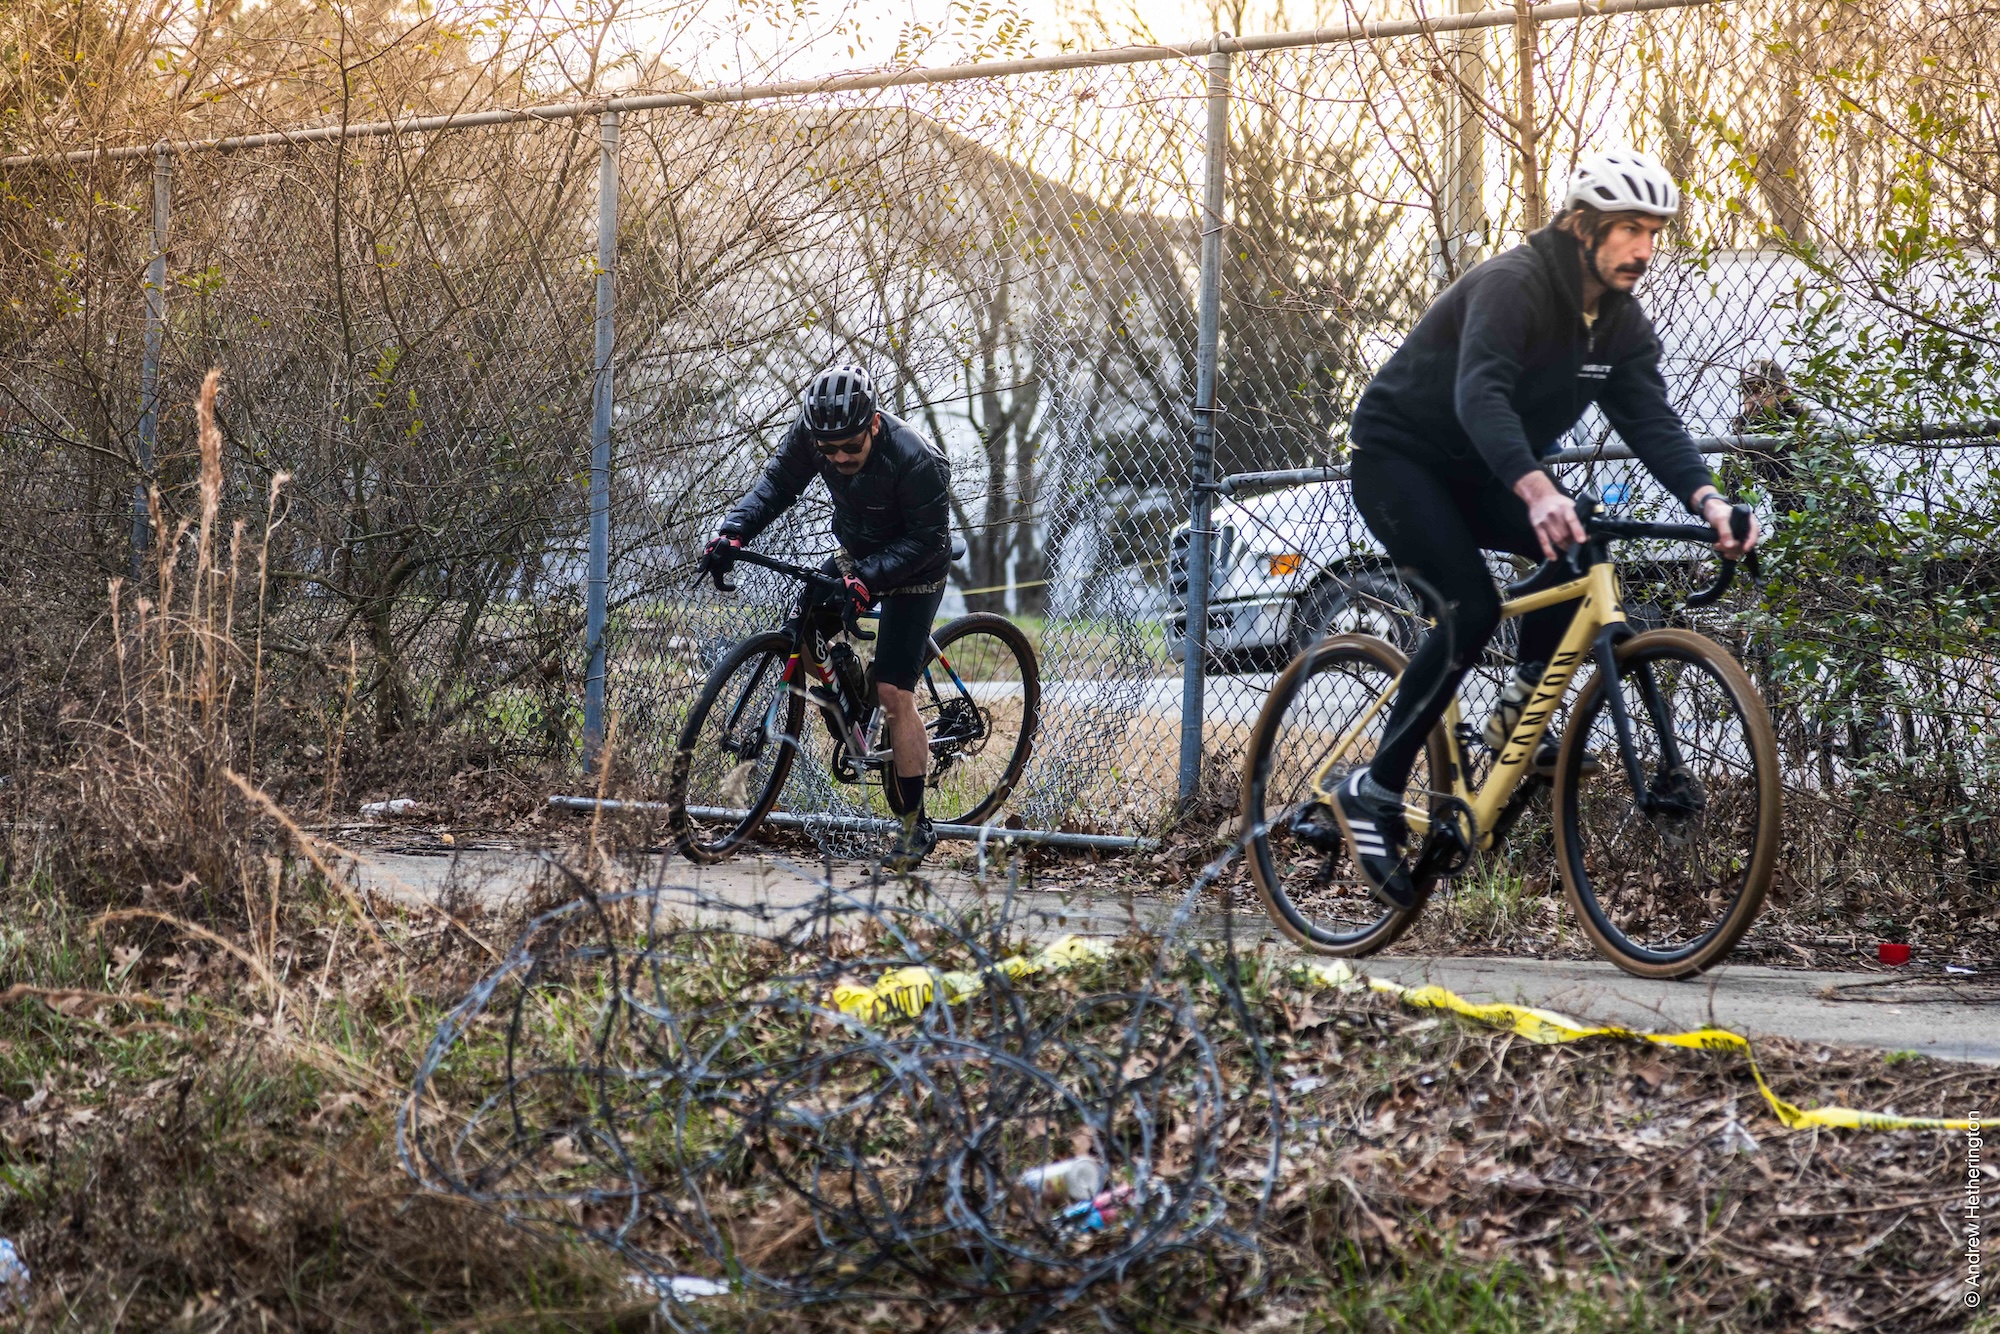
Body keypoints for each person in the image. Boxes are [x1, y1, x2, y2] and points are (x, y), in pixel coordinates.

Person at [1305, 148, 1761, 911]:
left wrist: (1709, 500)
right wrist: (1536, 485)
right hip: (1400, 462)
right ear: (1582, 227)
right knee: (1470, 608)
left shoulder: (1616, 321)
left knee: (1584, 539)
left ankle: (1512, 714)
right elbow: (1480, 393)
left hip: (1484, 471)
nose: (1644, 248)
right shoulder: (1514, 285)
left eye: (1654, 232)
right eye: (1628, 230)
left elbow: (1651, 417)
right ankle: (1373, 788)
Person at [698, 364, 955, 872]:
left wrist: (872, 578)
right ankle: (852, 699)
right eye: (828, 450)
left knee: (894, 693)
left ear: (874, 426)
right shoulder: (814, 436)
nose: (837, 459)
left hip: (918, 563)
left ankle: (914, 825)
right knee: (806, 624)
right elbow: (776, 485)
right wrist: (733, 532)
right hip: (858, 554)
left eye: (849, 449)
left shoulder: (914, 457)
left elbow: (929, 539)